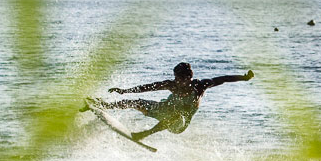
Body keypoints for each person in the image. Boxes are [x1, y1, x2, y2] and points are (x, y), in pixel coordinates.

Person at [82, 62, 255, 141]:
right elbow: (148, 87)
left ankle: (143, 135)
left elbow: (223, 78)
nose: (176, 82)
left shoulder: (200, 86)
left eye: (180, 79)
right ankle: (103, 105)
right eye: (175, 78)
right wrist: (123, 91)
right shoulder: (171, 85)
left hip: (179, 123)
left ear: (189, 78)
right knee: (137, 102)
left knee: (177, 115)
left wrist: (244, 78)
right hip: (163, 108)